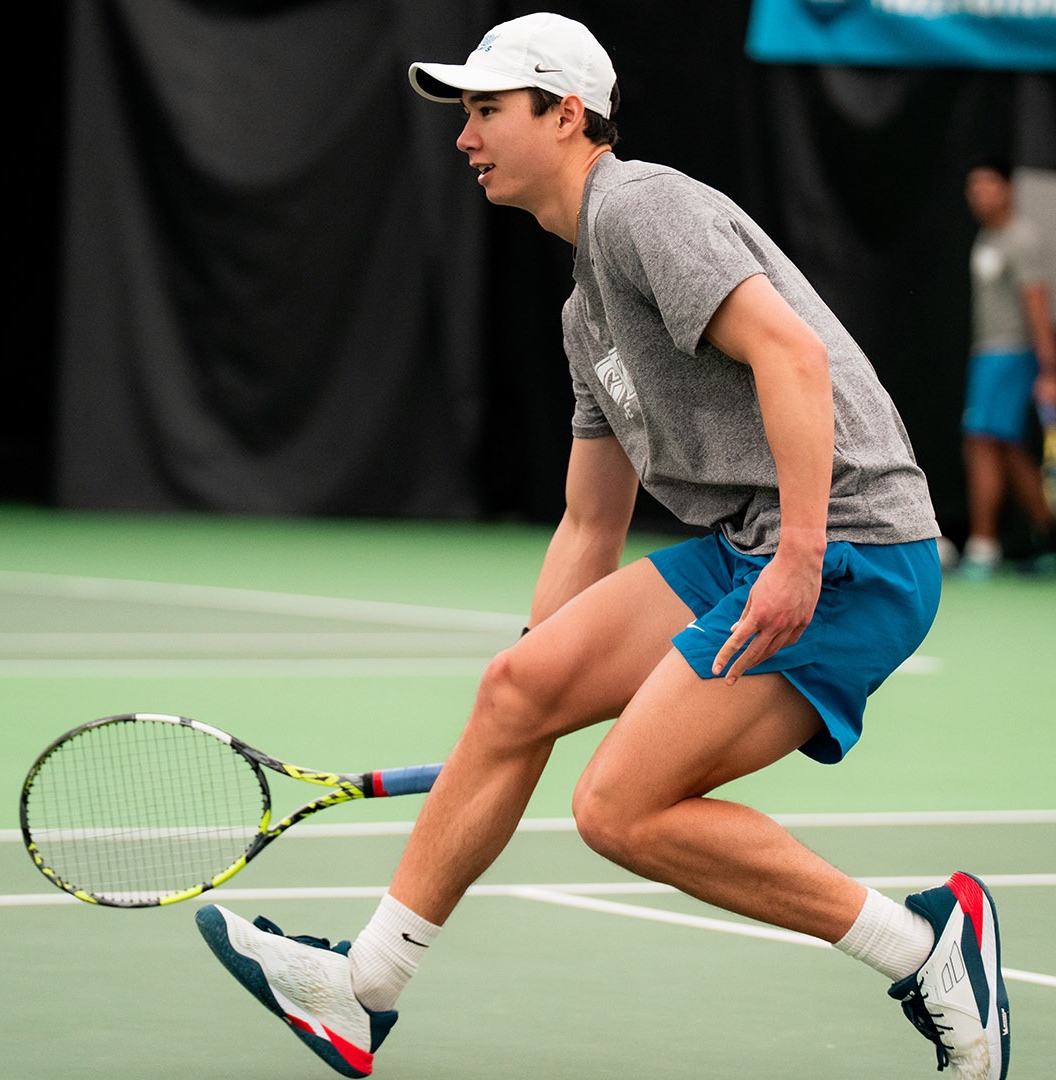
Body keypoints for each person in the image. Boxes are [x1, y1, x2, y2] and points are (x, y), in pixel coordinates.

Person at [194, 13, 1009, 1080]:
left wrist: (804, 558)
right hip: (747, 542)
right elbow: (591, 521)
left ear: (564, 114)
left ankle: (929, 947)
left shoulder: (643, 209)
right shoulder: (587, 311)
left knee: (619, 809)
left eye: (486, 110)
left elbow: (794, 360)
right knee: (516, 686)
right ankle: (362, 991)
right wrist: (539, 685)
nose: (464, 136)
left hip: (851, 549)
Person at [959, 156, 1056, 578]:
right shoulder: (987, 237)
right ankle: (1055, 536)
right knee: (1003, 449)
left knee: (981, 443)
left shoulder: (1021, 239)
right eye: (973, 186)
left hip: (1009, 357)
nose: (979, 194)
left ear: (1008, 189)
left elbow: (1038, 308)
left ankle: (984, 546)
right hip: (988, 356)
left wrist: (1051, 372)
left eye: (988, 184)